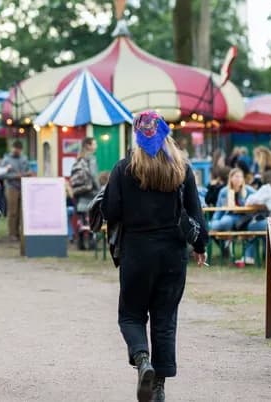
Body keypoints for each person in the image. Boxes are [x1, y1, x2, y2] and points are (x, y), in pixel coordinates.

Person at [101, 111, 208, 402]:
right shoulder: (182, 168)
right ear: (165, 133)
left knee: (131, 315)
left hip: (137, 252)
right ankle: (158, 387)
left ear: (137, 137)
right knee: (164, 318)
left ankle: (142, 359)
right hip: (173, 254)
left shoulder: (124, 169)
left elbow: (111, 212)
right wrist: (200, 246)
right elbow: (194, 211)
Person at [238, 171, 271, 266]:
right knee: (262, 232)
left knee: (251, 226)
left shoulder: (266, 188)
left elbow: (250, 200)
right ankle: (256, 257)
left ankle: (249, 256)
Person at [70, 137, 100, 250]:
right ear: (88, 145)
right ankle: (92, 243)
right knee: (92, 217)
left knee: (82, 218)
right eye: (94, 143)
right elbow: (93, 175)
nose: (96, 145)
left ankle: (81, 243)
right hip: (90, 192)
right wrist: (98, 189)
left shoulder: (79, 158)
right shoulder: (91, 158)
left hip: (80, 192)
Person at [0, 140, 33, 242]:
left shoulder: (24, 158)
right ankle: (12, 233)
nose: (16, 151)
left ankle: (19, 232)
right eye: (15, 149)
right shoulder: (6, 160)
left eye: (18, 150)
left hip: (23, 187)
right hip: (11, 187)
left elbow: (28, 170)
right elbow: (2, 175)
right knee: (12, 211)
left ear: (21, 150)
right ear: (12, 148)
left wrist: (29, 173)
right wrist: (15, 176)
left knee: (21, 211)